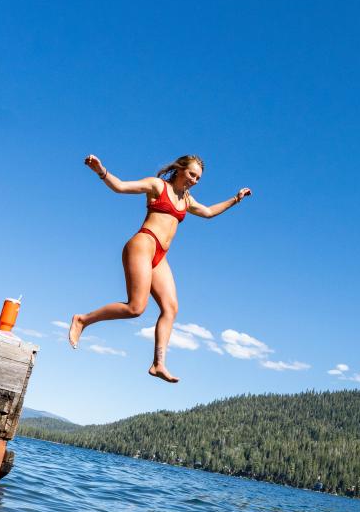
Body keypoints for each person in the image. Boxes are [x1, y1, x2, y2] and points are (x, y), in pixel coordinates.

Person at [68, 154, 252, 383]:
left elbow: (208, 212)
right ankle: (83, 320)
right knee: (136, 308)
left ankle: (158, 364)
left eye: (198, 178)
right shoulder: (158, 186)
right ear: (179, 170)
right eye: (192, 174)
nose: (194, 180)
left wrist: (236, 199)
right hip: (143, 245)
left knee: (171, 308)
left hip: (160, 256)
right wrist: (100, 170)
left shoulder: (187, 199)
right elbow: (121, 187)